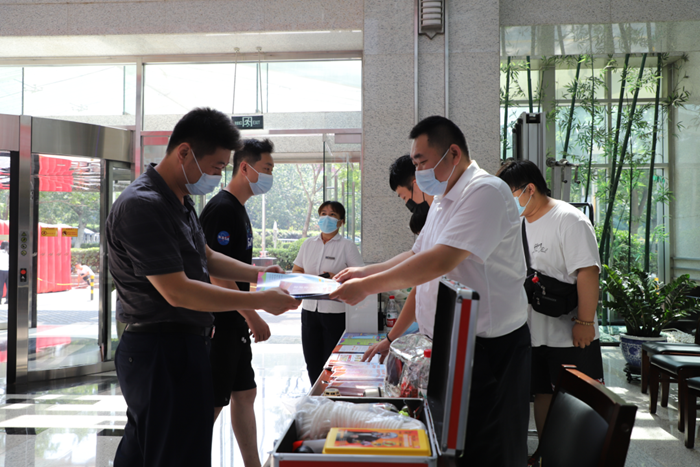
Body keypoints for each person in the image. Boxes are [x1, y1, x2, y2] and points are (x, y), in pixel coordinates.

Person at [331, 115, 531, 467]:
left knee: (490, 448)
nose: (418, 171)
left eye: (422, 161)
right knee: (454, 444)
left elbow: (439, 261)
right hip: (453, 345)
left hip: (491, 349)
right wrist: (365, 271)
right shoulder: (442, 198)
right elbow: (417, 254)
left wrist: (366, 287)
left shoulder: (485, 191)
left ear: (453, 153)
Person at [105, 107, 300, 467]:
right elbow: (178, 290)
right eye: (215, 167)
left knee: (154, 450)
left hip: (183, 344)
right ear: (184, 152)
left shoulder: (179, 201)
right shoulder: (143, 205)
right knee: (174, 453)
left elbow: (206, 256)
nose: (217, 176)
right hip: (160, 349)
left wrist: (261, 276)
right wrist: (257, 301)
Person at [496, 159, 603, 438]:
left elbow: (588, 271)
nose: (508, 204)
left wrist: (585, 322)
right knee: (542, 392)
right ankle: (546, 452)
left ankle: (576, 455)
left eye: (510, 195)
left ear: (530, 189)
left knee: (577, 400)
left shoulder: (569, 220)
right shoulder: (520, 223)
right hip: (535, 332)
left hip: (570, 333)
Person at [199, 138, 275, 467]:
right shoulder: (222, 209)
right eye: (267, 169)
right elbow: (216, 274)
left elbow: (235, 267)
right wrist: (252, 315)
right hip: (220, 321)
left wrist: (263, 277)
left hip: (234, 322)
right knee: (213, 402)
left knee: (245, 393)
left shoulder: (238, 210)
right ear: (245, 167)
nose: (270, 176)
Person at [292, 201, 364, 384]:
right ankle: (316, 395)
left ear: (341, 222)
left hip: (335, 312)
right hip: (309, 310)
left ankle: (332, 395)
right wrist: (308, 281)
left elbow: (360, 276)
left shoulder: (347, 246)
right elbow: (297, 270)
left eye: (332, 215)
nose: (326, 218)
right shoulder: (308, 244)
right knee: (312, 361)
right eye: (323, 213)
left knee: (332, 362)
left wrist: (336, 279)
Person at [389, 154, 434, 235]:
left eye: (404, 197)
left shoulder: (450, 210)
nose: (407, 202)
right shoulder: (435, 214)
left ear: (417, 185)